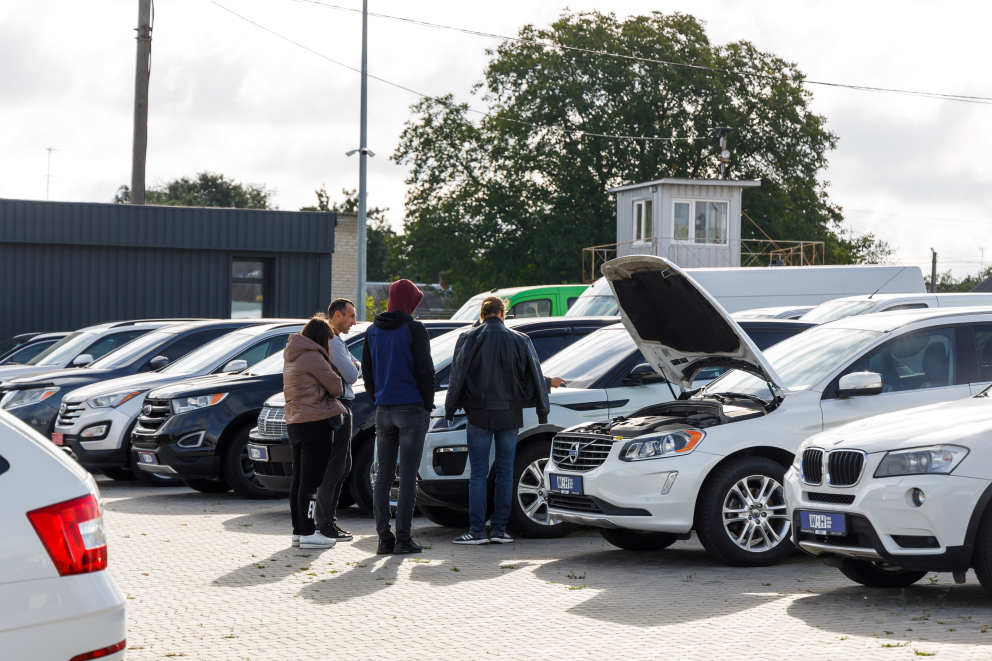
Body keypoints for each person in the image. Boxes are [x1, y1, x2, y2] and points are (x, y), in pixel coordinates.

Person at [444, 296, 564, 545]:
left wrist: (450, 408)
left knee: (478, 472)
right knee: (506, 472)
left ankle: (477, 531)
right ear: (502, 313)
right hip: (510, 414)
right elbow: (531, 375)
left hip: (478, 413)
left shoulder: (468, 338)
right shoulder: (520, 339)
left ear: (482, 314)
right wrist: (545, 397)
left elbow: (457, 375)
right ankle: (499, 529)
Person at [362, 279, 434, 555]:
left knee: (382, 476)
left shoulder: (372, 330)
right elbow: (425, 371)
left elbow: (368, 372)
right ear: (409, 301)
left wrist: (378, 397)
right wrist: (427, 405)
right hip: (411, 408)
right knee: (407, 477)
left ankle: (384, 539)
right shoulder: (414, 328)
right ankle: (403, 539)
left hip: (384, 409)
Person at [284, 314, 346, 550]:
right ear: (321, 338)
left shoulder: (292, 355)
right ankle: (309, 533)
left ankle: (299, 532)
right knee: (311, 482)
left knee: (299, 480)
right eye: (328, 340)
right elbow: (337, 387)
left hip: (296, 422)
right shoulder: (313, 356)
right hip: (315, 422)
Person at [313, 298, 361, 542]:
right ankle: (324, 525)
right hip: (338, 407)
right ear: (337, 316)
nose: (354, 322)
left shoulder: (334, 340)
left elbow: (354, 367)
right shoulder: (332, 340)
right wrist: (353, 366)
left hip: (336, 406)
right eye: (351, 316)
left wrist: (354, 365)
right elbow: (352, 374)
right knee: (335, 467)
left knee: (341, 467)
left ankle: (327, 522)